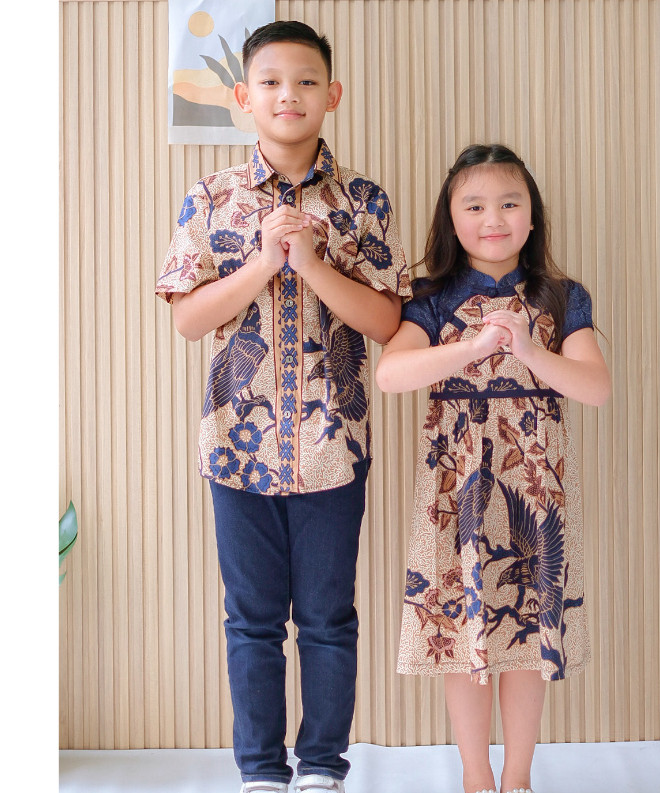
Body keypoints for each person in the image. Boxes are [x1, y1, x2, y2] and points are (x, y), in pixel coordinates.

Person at [156, 20, 411, 793]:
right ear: (243, 97)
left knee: (329, 619)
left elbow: (386, 321)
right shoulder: (210, 197)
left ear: (333, 94)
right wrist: (266, 261)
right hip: (236, 447)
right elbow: (188, 320)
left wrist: (313, 263)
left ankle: (323, 768)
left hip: (334, 446)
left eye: (305, 81)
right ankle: (262, 772)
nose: (287, 95)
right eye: (269, 81)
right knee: (252, 621)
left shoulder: (362, 200)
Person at [376, 144, 610, 793]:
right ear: (451, 219)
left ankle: (518, 778)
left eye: (509, 204)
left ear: (532, 217)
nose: (493, 219)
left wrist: (529, 349)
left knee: (529, 635)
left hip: (535, 493)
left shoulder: (561, 296)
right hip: (456, 493)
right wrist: (473, 347)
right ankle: (475, 777)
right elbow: (391, 374)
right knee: (464, 635)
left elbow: (594, 387)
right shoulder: (430, 297)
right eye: (474, 206)